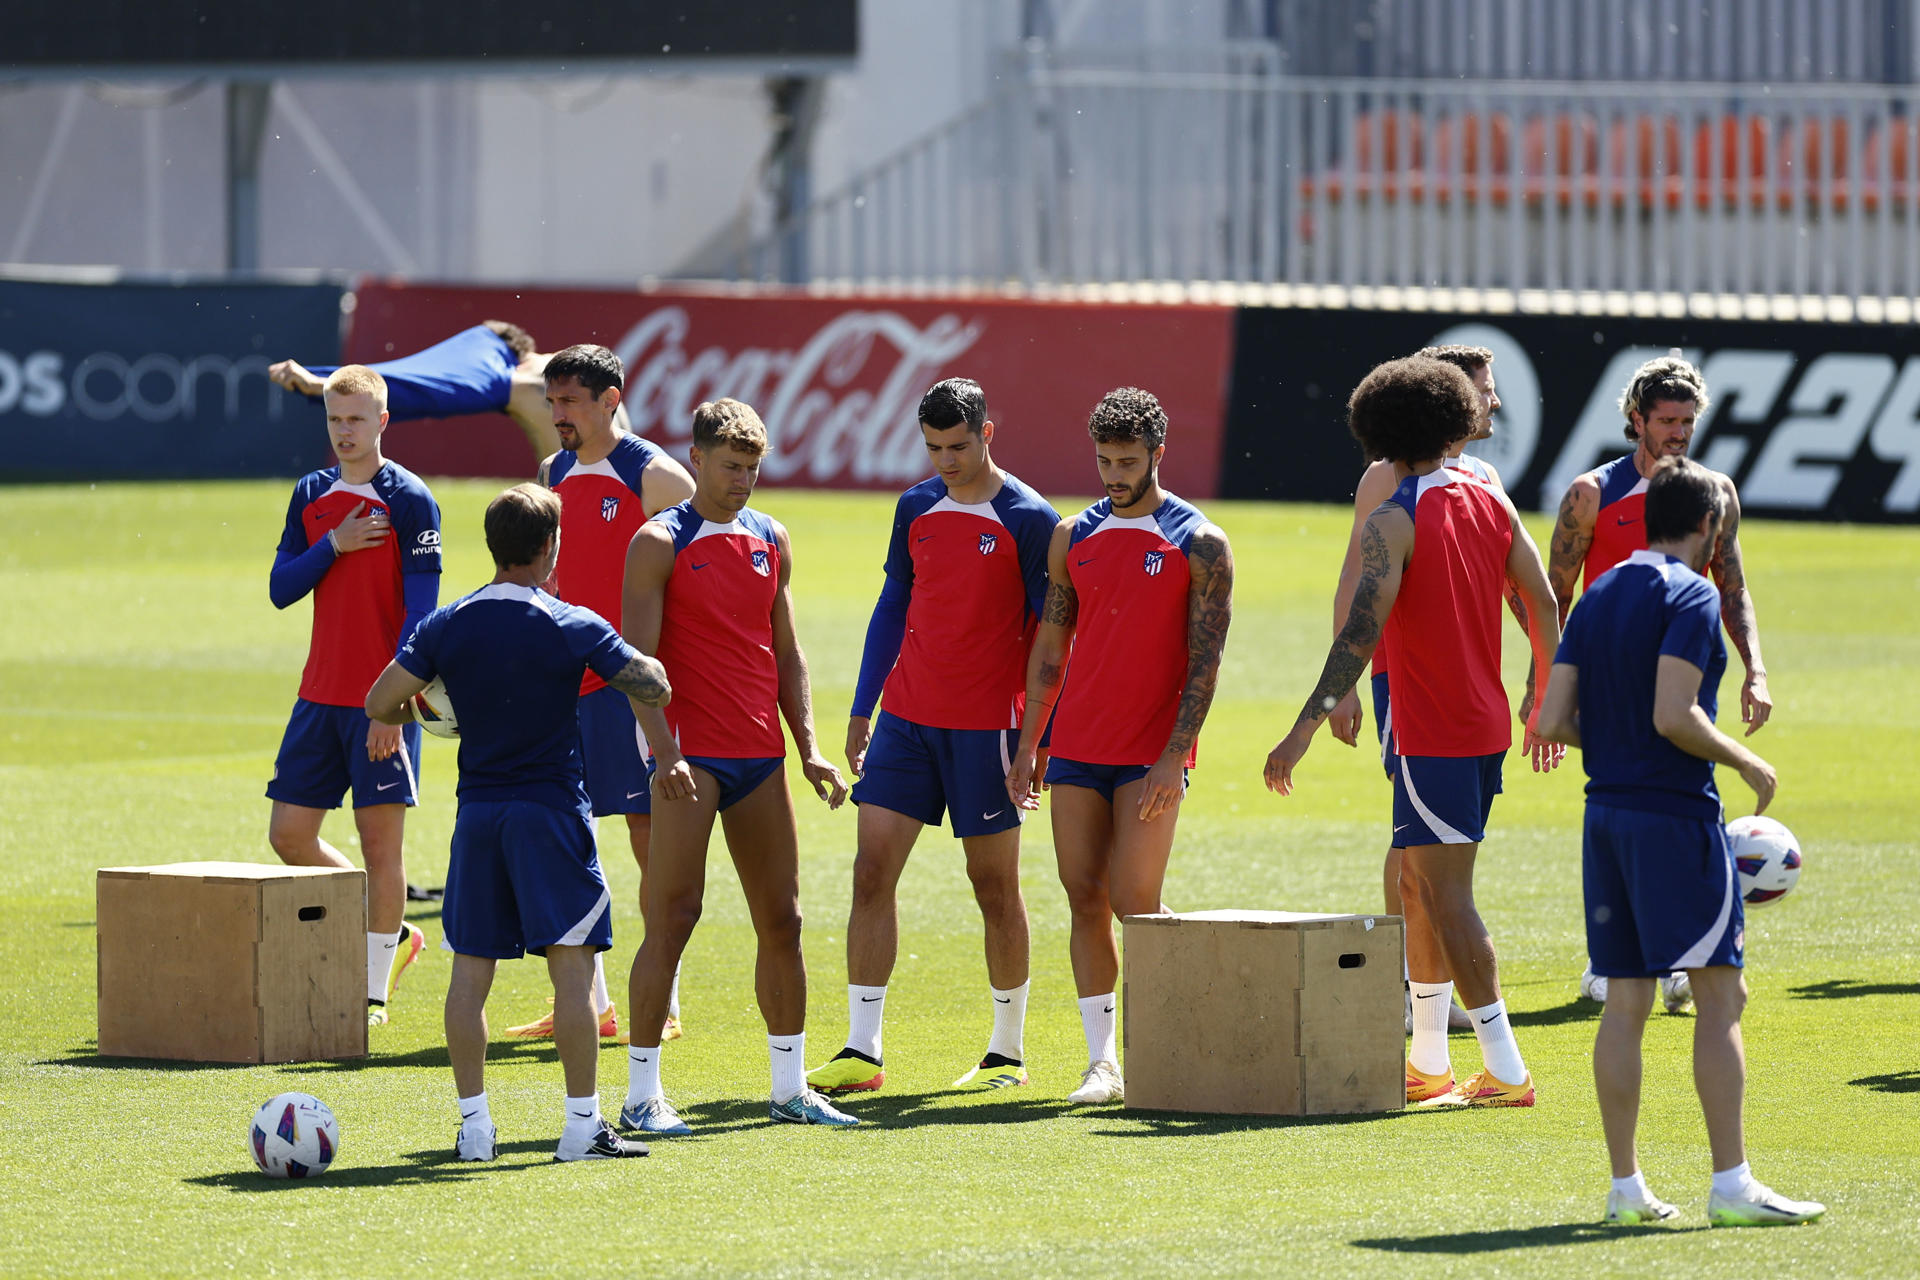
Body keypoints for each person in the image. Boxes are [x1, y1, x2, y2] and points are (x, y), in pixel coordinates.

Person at [1534, 456, 1824, 1226]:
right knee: (1721, 992)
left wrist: (1618, 744)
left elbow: (1551, 721)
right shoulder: (1692, 594)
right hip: (1673, 817)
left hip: (1606, 818)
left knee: (1625, 1000)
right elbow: (1675, 715)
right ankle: (1731, 1187)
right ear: (1710, 525)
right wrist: (1747, 759)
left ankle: (1625, 1191)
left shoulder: (1598, 593)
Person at [1265, 356, 1559, 1110]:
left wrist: (1302, 728)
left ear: (1380, 433)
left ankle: (1507, 1069)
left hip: (1433, 729)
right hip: (1483, 720)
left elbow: (1359, 633)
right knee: (1422, 887)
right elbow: (1545, 600)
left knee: (1447, 896)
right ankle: (1429, 1061)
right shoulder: (1488, 495)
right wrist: (1547, 698)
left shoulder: (1396, 517)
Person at [364, 482, 672, 1162]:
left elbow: (380, 701)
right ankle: (580, 1127)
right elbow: (653, 684)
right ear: (548, 547)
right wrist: (638, 662)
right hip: (553, 814)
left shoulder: (448, 623)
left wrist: (439, 705)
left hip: (478, 817)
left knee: (470, 976)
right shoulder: (571, 623)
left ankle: (474, 1129)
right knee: (571, 970)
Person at [807, 378, 1058, 1097]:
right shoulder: (915, 506)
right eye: (933, 448)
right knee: (869, 873)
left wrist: (1041, 738)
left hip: (988, 731)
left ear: (987, 432)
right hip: (906, 723)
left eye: (958, 446)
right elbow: (894, 601)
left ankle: (1006, 1053)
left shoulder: (1029, 518)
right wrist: (863, 705)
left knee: (994, 887)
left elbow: (1050, 637)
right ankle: (861, 1050)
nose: (946, 461)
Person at [617, 398, 857, 1134]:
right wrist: (665, 753)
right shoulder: (658, 542)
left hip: (760, 756)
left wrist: (810, 745)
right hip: (691, 758)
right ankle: (639, 1096)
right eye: (731, 467)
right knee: (672, 918)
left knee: (783, 920)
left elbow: (786, 652)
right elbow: (638, 666)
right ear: (694, 460)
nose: (744, 481)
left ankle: (788, 1088)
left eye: (753, 468)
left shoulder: (770, 537)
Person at [1006, 386, 1234, 1107]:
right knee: (1083, 897)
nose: (1113, 473)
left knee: (1138, 904)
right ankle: (1103, 1063)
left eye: (1127, 461)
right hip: (1077, 744)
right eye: (1104, 460)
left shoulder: (1199, 542)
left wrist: (1177, 753)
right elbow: (1052, 641)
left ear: (1159, 455)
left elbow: (1207, 659)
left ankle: (1175, 1040)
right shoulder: (1074, 535)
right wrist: (1028, 741)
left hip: (1151, 752)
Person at [1545, 354, 1770, 1015]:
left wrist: (1754, 665)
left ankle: (1676, 958)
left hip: (1686, 661)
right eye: (1666, 421)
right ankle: (1612, 956)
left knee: (1679, 801)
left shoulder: (1713, 495)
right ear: (1635, 419)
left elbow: (1731, 581)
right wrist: (1550, 677)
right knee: (1627, 807)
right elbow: (1553, 594)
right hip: (1610, 669)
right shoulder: (1592, 494)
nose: (1677, 433)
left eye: (1687, 422)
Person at [503, 344, 695, 1044]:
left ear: (612, 400)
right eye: (552, 403)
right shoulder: (552, 473)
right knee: (563, 837)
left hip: (628, 689)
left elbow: (701, 576)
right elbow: (548, 581)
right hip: (563, 686)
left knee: (650, 843)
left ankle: (662, 1000)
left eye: (570, 403)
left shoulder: (658, 477)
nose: (557, 416)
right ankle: (591, 1001)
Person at [264, 365, 439, 1028]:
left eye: (357, 420)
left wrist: (392, 703)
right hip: (318, 697)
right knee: (289, 835)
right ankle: (388, 932)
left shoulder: (410, 499)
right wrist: (332, 546)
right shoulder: (311, 494)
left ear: (382, 422)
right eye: (335, 419)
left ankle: (371, 994)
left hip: (381, 703)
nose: (344, 432)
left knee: (379, 847)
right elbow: (282, 587)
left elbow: (422, 612)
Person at [270, 320, 600, 466]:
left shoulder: (520, 381)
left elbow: (423, 390)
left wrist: (319, 382)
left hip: (573, 504)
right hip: (616, 493)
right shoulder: (575, 370)